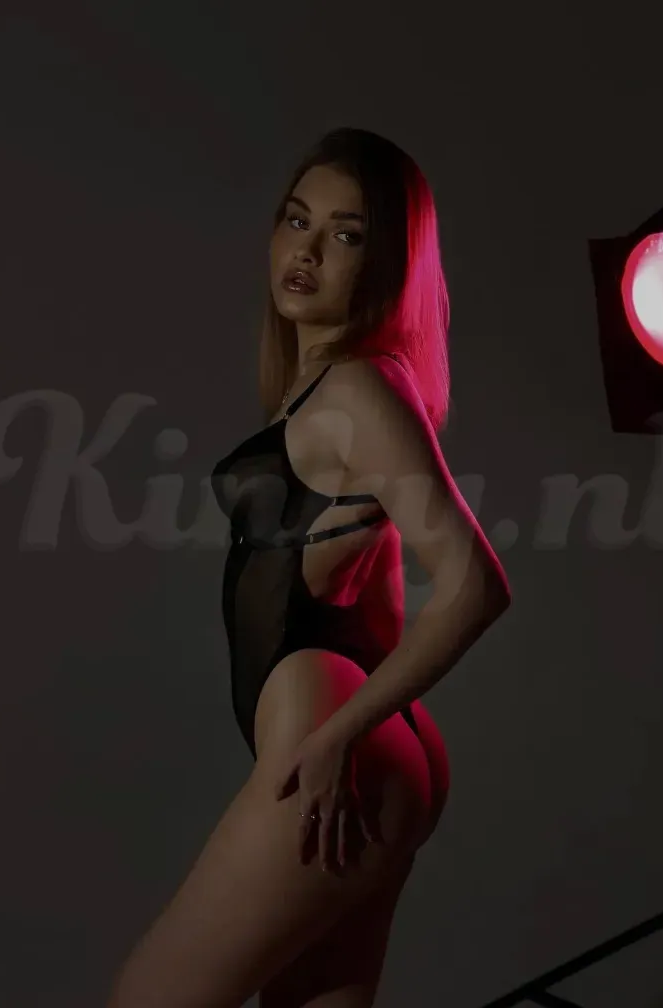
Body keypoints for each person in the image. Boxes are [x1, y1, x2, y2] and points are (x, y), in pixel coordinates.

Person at [108, 127, 511, 1008]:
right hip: (366, 741)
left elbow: (475, 586)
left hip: (332, 740)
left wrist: (336, 737)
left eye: (346, 233)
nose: (308, 250)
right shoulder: (335, 387)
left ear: (384, 262)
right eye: (297, 220)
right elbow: (374, 601)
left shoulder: (359, 390)